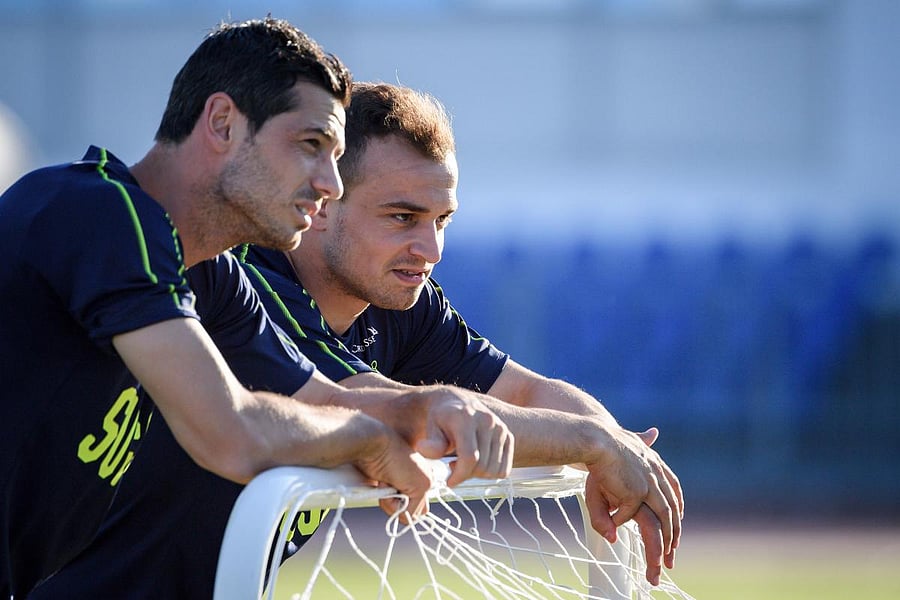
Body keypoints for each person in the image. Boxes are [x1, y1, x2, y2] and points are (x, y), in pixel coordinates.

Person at [30, 82, 683, 598]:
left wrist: (618, 448)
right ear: (324, 205)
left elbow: (527, 391)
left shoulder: (400, 302)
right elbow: (382, 409)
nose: (428, 249)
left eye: (441, 220)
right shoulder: (248, 281)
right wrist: (595, 444)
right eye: (402, 217)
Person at [0, 20, 515, 598]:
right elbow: (233, 434)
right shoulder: (100, 214)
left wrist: (424, 409)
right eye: (310, 145)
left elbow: (327, 401)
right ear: (222, 123)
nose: (330, 184)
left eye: (337, 155)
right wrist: (368, 440)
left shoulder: (211, 273)